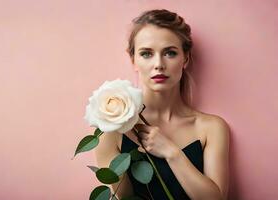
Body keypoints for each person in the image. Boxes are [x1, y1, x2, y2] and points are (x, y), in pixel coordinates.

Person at [95, 9, 230, 200]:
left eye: (170, 53)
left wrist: (172, 152)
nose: (158, 64)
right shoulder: (111, 131)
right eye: (146, 54)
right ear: (133, 59)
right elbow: (124, 196)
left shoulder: (211, 128)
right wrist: (112, 123)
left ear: (186, 58)